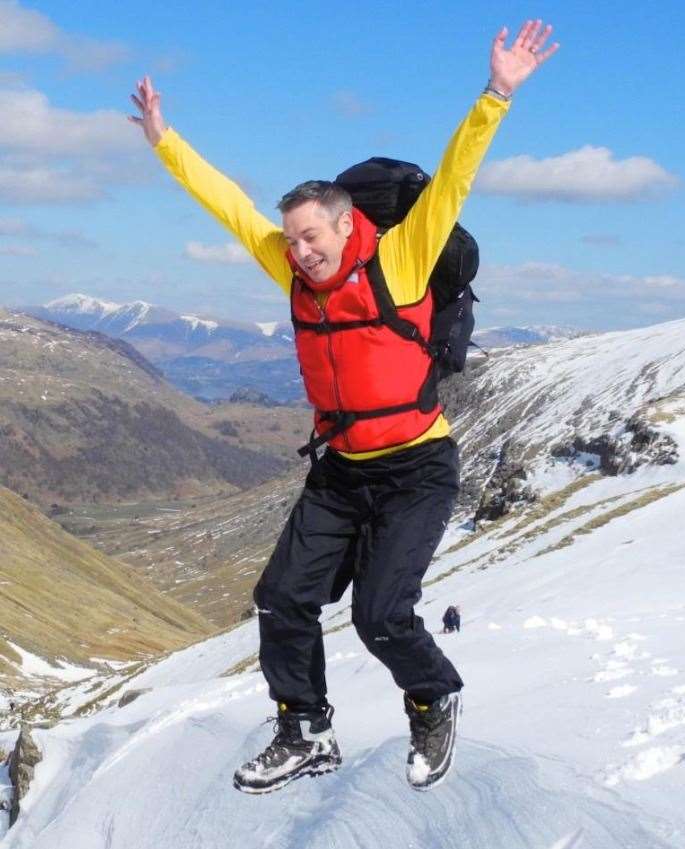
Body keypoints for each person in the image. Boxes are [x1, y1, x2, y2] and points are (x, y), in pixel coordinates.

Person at [130, 19, 558, 793]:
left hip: (417, 467)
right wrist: (165, 142)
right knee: (281, 598)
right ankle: (304, 728)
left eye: (311, 237)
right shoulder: (292, 272)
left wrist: (496, 93)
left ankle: (432, 698)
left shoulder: (400, 256)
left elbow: (456, 177)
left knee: (381, 616)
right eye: (290, 240)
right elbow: (225, 204)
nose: (299, 251)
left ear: (346, 223)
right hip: (342, 468)